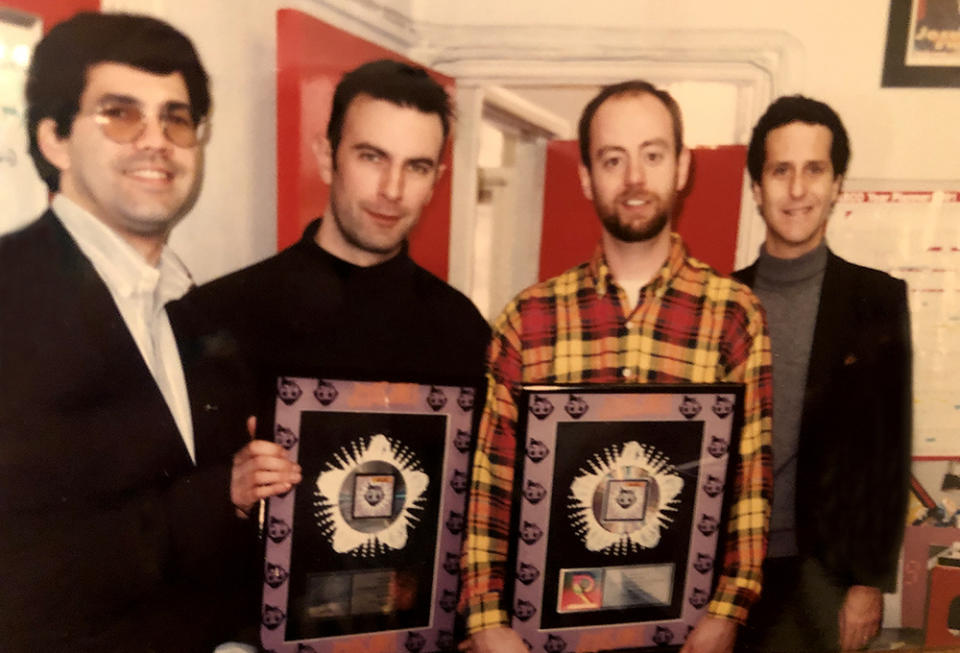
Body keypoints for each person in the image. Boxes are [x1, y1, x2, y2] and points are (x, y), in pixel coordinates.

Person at [0, 12, 290, 651]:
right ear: (53, 139)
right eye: (120, 114)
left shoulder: (203, 316)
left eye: (176, 119)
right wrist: (223, 496)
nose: (155, 141)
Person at [460, 80, 773, 653]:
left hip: (682, 637)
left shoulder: (734, 315)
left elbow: (749, 483)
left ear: (682, 167)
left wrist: (728, 611)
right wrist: (484, 621)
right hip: (543, 638)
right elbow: (489, 485)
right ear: (586, 177)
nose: (634, 178)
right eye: (613, 159)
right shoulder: (527, 320)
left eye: (652, 155)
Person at [733, 95, 911, 652]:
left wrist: (868, 583)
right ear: (757, 187)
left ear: (837, 185)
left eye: (814, 169)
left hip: (821, 575)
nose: (797, 188)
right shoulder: (719, 300)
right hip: (724, 571)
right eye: (780, 170)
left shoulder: (876, 300)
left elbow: (888, 452)